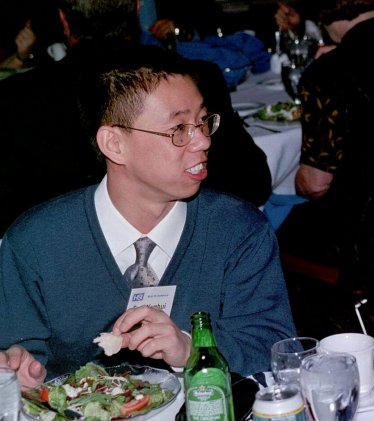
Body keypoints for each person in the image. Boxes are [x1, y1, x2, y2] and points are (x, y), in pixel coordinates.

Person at [0, 44, 296, 388]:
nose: (202, 141)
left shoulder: (238, 230)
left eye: (203, 122)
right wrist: (18, 369)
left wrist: (192, 350)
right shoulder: (35, 243)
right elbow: (21, 353)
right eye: (179, 129)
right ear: (114, 144)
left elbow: (274, 352)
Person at [0, 0, 271, 236]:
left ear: (64, 19)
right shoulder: (194, 79)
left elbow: (8, 211)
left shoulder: (17, 97)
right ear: (137, 7)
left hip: (58, 251)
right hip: (190, 245)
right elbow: (253, 183)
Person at [276, 0, 374, 293]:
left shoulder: (327, 74)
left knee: (262, 226)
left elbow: (315, 184)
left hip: (363, 238)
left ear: (323, 8)